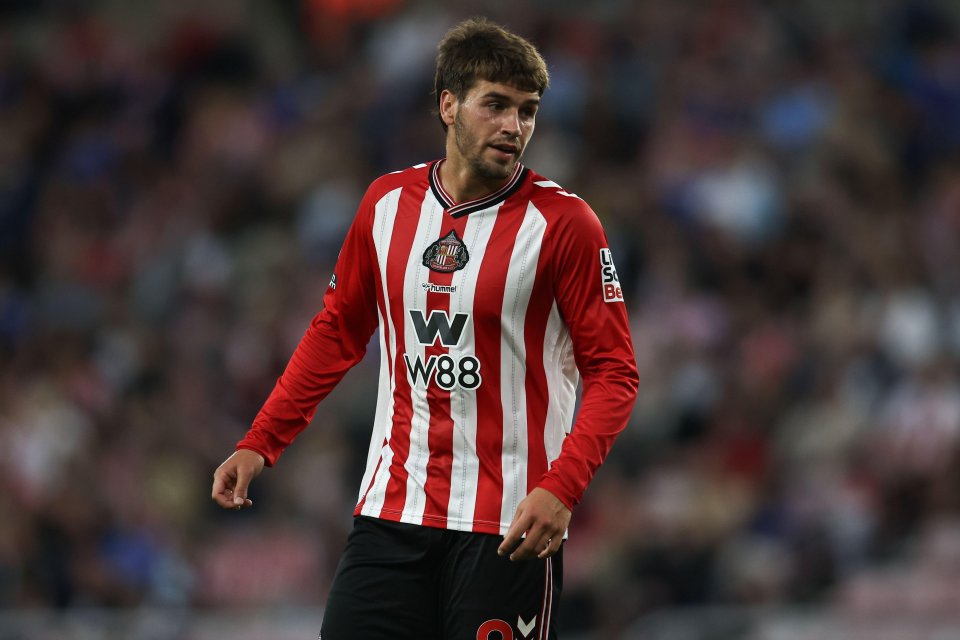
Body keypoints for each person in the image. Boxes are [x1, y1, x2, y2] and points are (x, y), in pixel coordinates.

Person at [211, 16, 639, 640]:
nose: (514, 126)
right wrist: (261, 440)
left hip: (509, 524)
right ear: (448, 105)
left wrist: (562, 488)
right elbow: (338, 330)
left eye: (527, 111)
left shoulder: (565, 224)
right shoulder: (386, 205)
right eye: (496, 105)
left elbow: (615, 372)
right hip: (393, 511)